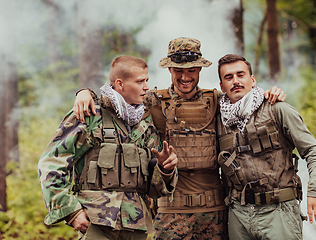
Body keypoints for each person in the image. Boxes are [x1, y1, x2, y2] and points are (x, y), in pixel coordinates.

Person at [73, 37, 286, 240]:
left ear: (200, 69)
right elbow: (116, 97)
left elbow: (244, 97)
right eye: (178, 71)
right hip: (170, 212)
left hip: (215, 211)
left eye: (192, 70)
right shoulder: (152, 101)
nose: (185, 77)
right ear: (169, 70)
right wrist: (85, 93)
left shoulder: (216, 101)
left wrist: (269, 94)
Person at [38, 55, 178, 240]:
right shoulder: (90, 114)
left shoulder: (145, 123)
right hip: (96, 223)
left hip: (135, 225)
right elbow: (51, 163)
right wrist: (70, 211)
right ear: (120, 84)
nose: (146, 87)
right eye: (140, 81)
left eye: (147, 81)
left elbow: (154, 189)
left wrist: (165, 169)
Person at [216, 54, 316, 240]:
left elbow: (313, 151)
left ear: (252, 79)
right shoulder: (219, 119)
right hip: (239, 216)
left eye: (240, 75)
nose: (235, 81)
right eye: (228, 77)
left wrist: (315, 190)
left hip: (278, 212)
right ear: (221, 86)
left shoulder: (277, 109)